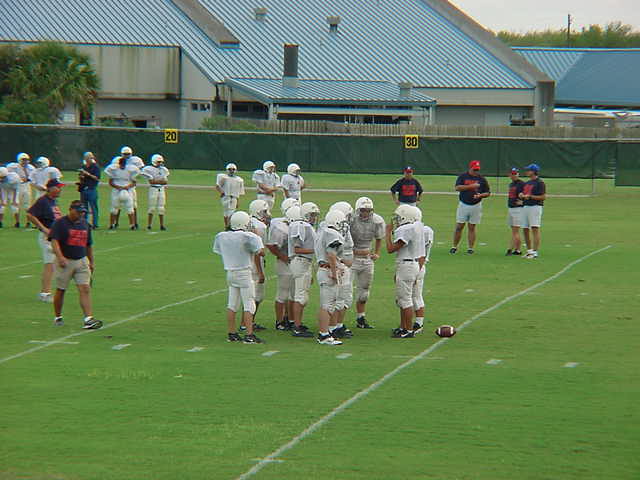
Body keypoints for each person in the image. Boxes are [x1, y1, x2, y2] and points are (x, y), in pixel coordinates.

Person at [213, 211, 264, 344]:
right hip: (244, 273)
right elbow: (261, 252)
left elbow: (219, 250)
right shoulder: (248, 236)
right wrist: (256, 235)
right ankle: (249, 335)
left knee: (232, 304)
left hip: (230, 273)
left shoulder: (222, 236)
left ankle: (232, 333)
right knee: (249, 304)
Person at [49, 200, 101, 329]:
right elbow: (54, 241)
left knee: (85, 288)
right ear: (71, 210)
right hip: (65, 261)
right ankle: (58, 316)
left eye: (82, 212)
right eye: (78, 212)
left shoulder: (85, 224)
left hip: (81, 260)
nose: (81, 214)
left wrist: (91, 262)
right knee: (61, 290)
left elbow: (88, 245)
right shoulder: (60, 223)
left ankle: (88, 319)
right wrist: (60, 257)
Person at [386, 204, 423, 339]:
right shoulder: (416, 227)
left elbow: (391, 249)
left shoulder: (406, 229)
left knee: (405, 300)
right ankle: (403, 327)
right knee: (402, 299)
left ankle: (408, 329)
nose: (397, 220)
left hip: (407, 265)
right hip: (411, 264)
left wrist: (387, 233)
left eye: (399, 217)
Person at [349, 196, 385, 329]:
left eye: (368, 210)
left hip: (367, 258)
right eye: (363, 210)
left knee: (364, 291)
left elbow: (379, 238)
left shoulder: (377, 220)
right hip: (351, 258)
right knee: (345, 291)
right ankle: (336, 322)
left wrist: (377, 253)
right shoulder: (351, 219)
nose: (365, 213)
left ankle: (361, 318)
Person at [26, 179, 64, 303]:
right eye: (58, 187)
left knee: (53, 264)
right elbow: (30, 214)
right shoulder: (43, 201)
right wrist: (43, 228)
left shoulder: (53, 201)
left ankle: (48, 291)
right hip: (47, 237)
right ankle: (45, 293)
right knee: (50, 264)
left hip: (55, 236)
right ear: (51, 188)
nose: (60, 189)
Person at [266, 198, 299, 331]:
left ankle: (290, 319)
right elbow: (272, 246)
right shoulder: (281, 228)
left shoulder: (297, 224)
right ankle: (279, 321)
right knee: (283, 293)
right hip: (285, 263)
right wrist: (284, 257)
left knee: (293, 293)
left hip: (295, 262)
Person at [314, 209, 347, 346]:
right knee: (327, 305)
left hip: (324, 269)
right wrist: (334, 272)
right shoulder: (332, 233)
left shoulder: (323, 231)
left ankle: (325, 333)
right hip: (327, 270)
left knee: (329, 304)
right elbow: (331, 255)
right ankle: (323, 335)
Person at [287, 202, 319, 337]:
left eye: (315, 215)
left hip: (304, 261)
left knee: (302, 296)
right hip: (300, 261)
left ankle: (298, 324)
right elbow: (297, 249)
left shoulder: (304, 226)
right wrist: (316, 250)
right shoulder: (300, 225)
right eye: (312, 215)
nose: (314, 218)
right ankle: (296, 326)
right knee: (300, 296)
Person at [325, 201, 355, 339]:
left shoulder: (343, 228)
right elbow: (331, 252)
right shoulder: (329, 230)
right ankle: (333, 327)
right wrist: (340, 263)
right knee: (337, 299)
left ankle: (338, 325)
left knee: (344, 299)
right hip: (339, 266)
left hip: (345, 266)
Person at [451, 160, 491, 255]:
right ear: (470, 168)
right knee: (459, 226)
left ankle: (470, 248)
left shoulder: (482, 179)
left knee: (472, 227)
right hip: (463, 204)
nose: (476, 171)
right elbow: (457, 187)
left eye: (477, 170)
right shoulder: (463, 176)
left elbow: (488, 192)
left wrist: (480, 195)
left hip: (476, 205)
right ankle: (454, 246)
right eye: (474, 169)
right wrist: (471, 186)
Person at [244, 199, 270, 331]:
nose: (266, 214)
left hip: (244, 262)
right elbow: (258, 251)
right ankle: (247, 323)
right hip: (255, 264)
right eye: (264, 212)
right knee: (257, 296)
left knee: (249, 295)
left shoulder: (247, 221)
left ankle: (247, 322)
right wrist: (260, 272)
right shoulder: (260, 227)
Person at [412, 206, 434, 333]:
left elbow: (422, 254)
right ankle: (407, 324)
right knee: (406, 297)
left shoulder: (425, 231)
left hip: (417, 265)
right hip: (412, 265)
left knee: (416, 296)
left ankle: (419, 323)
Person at [104, 155, 140, 230]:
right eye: (121, 164)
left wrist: (128, 186)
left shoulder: (130, 170)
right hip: (117, 191)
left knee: (130, 208)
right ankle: (112, 224)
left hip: (127, 190)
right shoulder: (114, 170)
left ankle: (132, 225)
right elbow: (110, 183)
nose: (122, 166)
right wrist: (118, 187)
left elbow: (134, 182)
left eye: (123, 164)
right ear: (119, 164)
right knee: (114, 208)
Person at [520, 163, 547, 259]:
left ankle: (535, 252)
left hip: (535, 207)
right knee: (525, 228)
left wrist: (530, 196)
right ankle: (529, 251)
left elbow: (543, 197)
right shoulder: (527, 183)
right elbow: (525, 194)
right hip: (526, 206)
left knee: (535, 228)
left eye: (528, 170)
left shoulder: (540, 182)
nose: (527, 172)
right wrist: (522, 196)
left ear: (534, 171)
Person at [141, 154, 170, 231]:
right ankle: (149, 225)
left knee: (161, 208)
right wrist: (159, 181)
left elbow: (165, 182)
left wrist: (157, 181)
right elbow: (151, 182)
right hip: (153, 189)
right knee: (152, 208)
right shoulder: (148, 169)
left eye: (161, 162)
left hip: (161, 189)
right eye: (158, 162)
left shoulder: (164, 169)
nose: (160, 163)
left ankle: (162, 225)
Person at [6, 153, 35, 228]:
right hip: (17, 187)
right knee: (16, 204)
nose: (25, 161)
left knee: (27, 205)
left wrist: (27, 178)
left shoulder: (31, 168)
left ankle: (28, 222)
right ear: (19, 160)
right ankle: (17, 222)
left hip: (26, 186)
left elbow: (32, 177)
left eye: (26, 160)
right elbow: (7, 174)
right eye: (23, 160)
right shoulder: (13, 166)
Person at [216, 163, 245, 228]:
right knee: (226, 213)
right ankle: (227, 226)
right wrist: (222, 192)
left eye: (233, 169)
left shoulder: (239, 180)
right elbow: (217, 186)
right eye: (230, 169)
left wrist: (238, 201)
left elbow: (238, 192)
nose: (231, 171)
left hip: (233, 197)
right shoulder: (223, 177)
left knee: (231, 213)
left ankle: (229, 226)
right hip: (226, 197)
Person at [77, 152, 101, 229]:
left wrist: (87, 174)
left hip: (91, 188)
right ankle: (84, 223)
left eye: (90, 158)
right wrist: (81, 176)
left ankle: (95, 224)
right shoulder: (84, 166)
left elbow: (97, 178)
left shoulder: (95, 167)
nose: (88, 160)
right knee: (83, 207)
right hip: (84, 188)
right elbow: (81, 177)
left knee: (93, 207)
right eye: (87, 158)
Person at [506, 167, 525, 256]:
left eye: (516, 173)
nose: (514, 175)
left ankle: (510, 249)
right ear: (509, 175)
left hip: (518, 209)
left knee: (515, 231)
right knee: (514, 230)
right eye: (513, 174)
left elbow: (527, 194)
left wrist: (523, 202)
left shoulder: (522, 184)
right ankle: (517, 250)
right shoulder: (511, 184)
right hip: (511, 208)